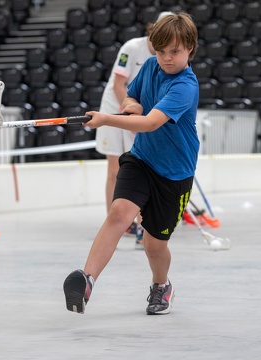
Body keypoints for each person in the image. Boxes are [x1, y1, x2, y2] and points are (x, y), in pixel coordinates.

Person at [64, 12, 199, 315]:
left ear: (190, 47)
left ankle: (161, 286)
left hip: (174, 173)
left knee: (153, 244)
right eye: (160, 50)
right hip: (141, 159)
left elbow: (150, 123)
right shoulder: (150, 66)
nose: (166, 58)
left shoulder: (185, 86)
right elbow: (131, 97)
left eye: (174, 51)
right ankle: (86, 280)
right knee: (119, 212)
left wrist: (105, 119)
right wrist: (129, 104)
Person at [95, 11, 174, 250]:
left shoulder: (165, 59)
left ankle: (141, 223)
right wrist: (127, 114)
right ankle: (116, 223)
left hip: (136, 115)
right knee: (114, 170)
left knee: (138, 170)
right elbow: (120, 85)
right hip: (113, 109)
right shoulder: (131, 47)